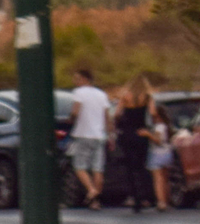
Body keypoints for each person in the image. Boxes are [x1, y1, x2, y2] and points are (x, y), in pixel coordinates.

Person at [66, 67, 112, 208]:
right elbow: (107, 116)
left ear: (85, 79)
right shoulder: (101, 94)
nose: (75, 81)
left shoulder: (79, 93)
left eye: (77, 78)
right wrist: (110, 134)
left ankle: (91, 190)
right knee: (97, 168)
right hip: (99, 135)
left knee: (79, 166)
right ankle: (95, 200)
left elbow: (75, 111)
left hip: (83, 134)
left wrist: (71, 120)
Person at [113, 76, 155, 212]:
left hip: (127, 133)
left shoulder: (125, 97)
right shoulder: (147, 97)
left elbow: (117, 113)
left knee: (130, 167)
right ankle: (145, 196)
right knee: (142, 166)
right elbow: (153, 112)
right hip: (141, 132)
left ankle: (134, 197)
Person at [146, 88, 179, 210]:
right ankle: (167, 199)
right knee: (165, 178)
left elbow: (158, 140)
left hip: (157, 153)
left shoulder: (158, 127)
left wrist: (148, 134)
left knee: (158, 179)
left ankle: (161, 202)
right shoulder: (166, 126)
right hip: (167, 152)